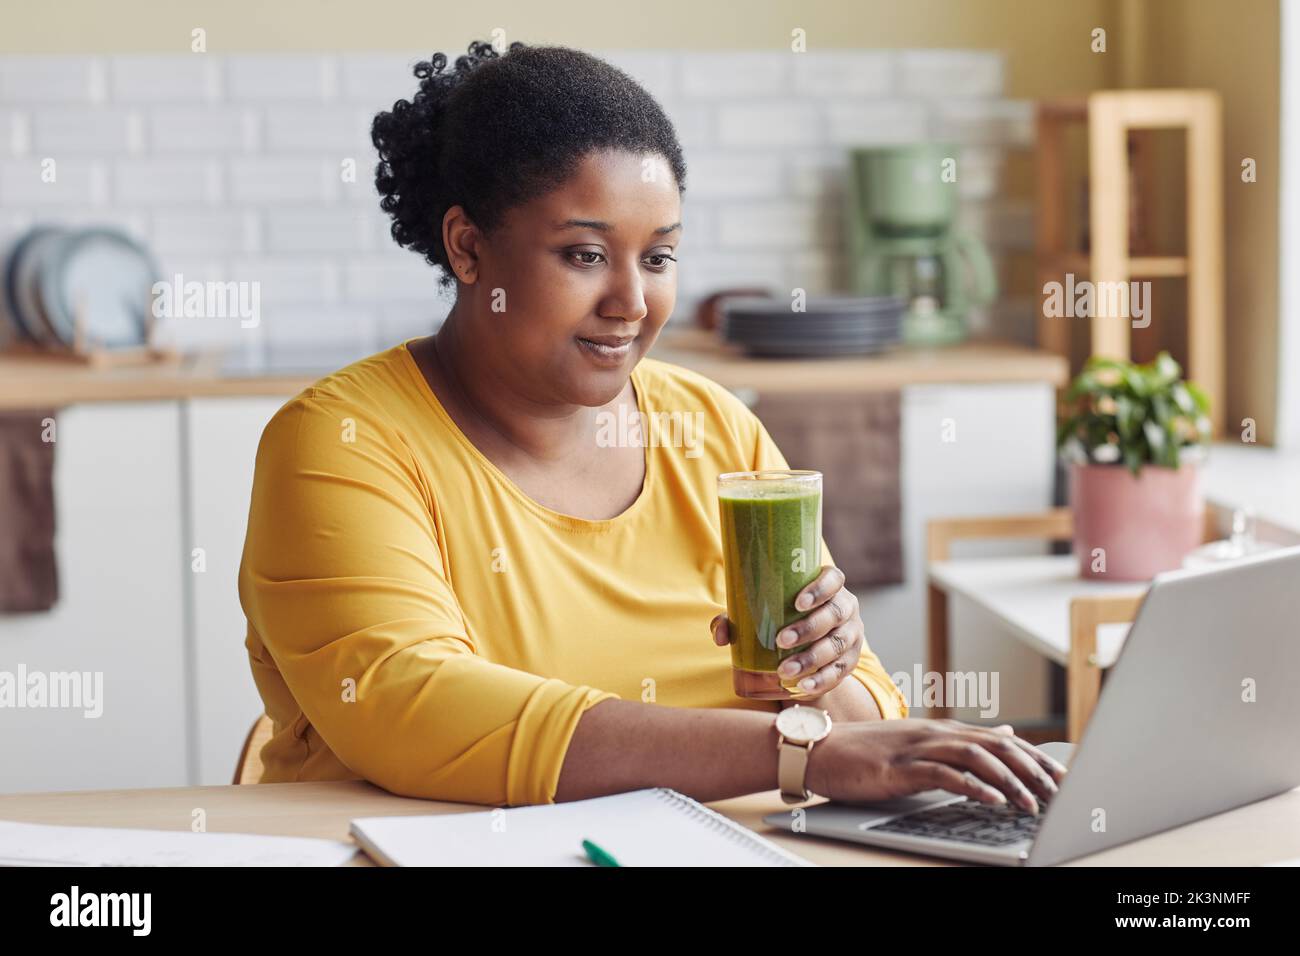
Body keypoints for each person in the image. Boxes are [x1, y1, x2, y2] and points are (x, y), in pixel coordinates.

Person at [238, 40, 1065, 812]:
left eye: (659, 257)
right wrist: (794, 754)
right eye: (585, 255)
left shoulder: (710, 430)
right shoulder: (343, 443)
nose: (631, 303)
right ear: (467, 247)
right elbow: (411, 706)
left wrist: (823, 674)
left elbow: (859, 732)